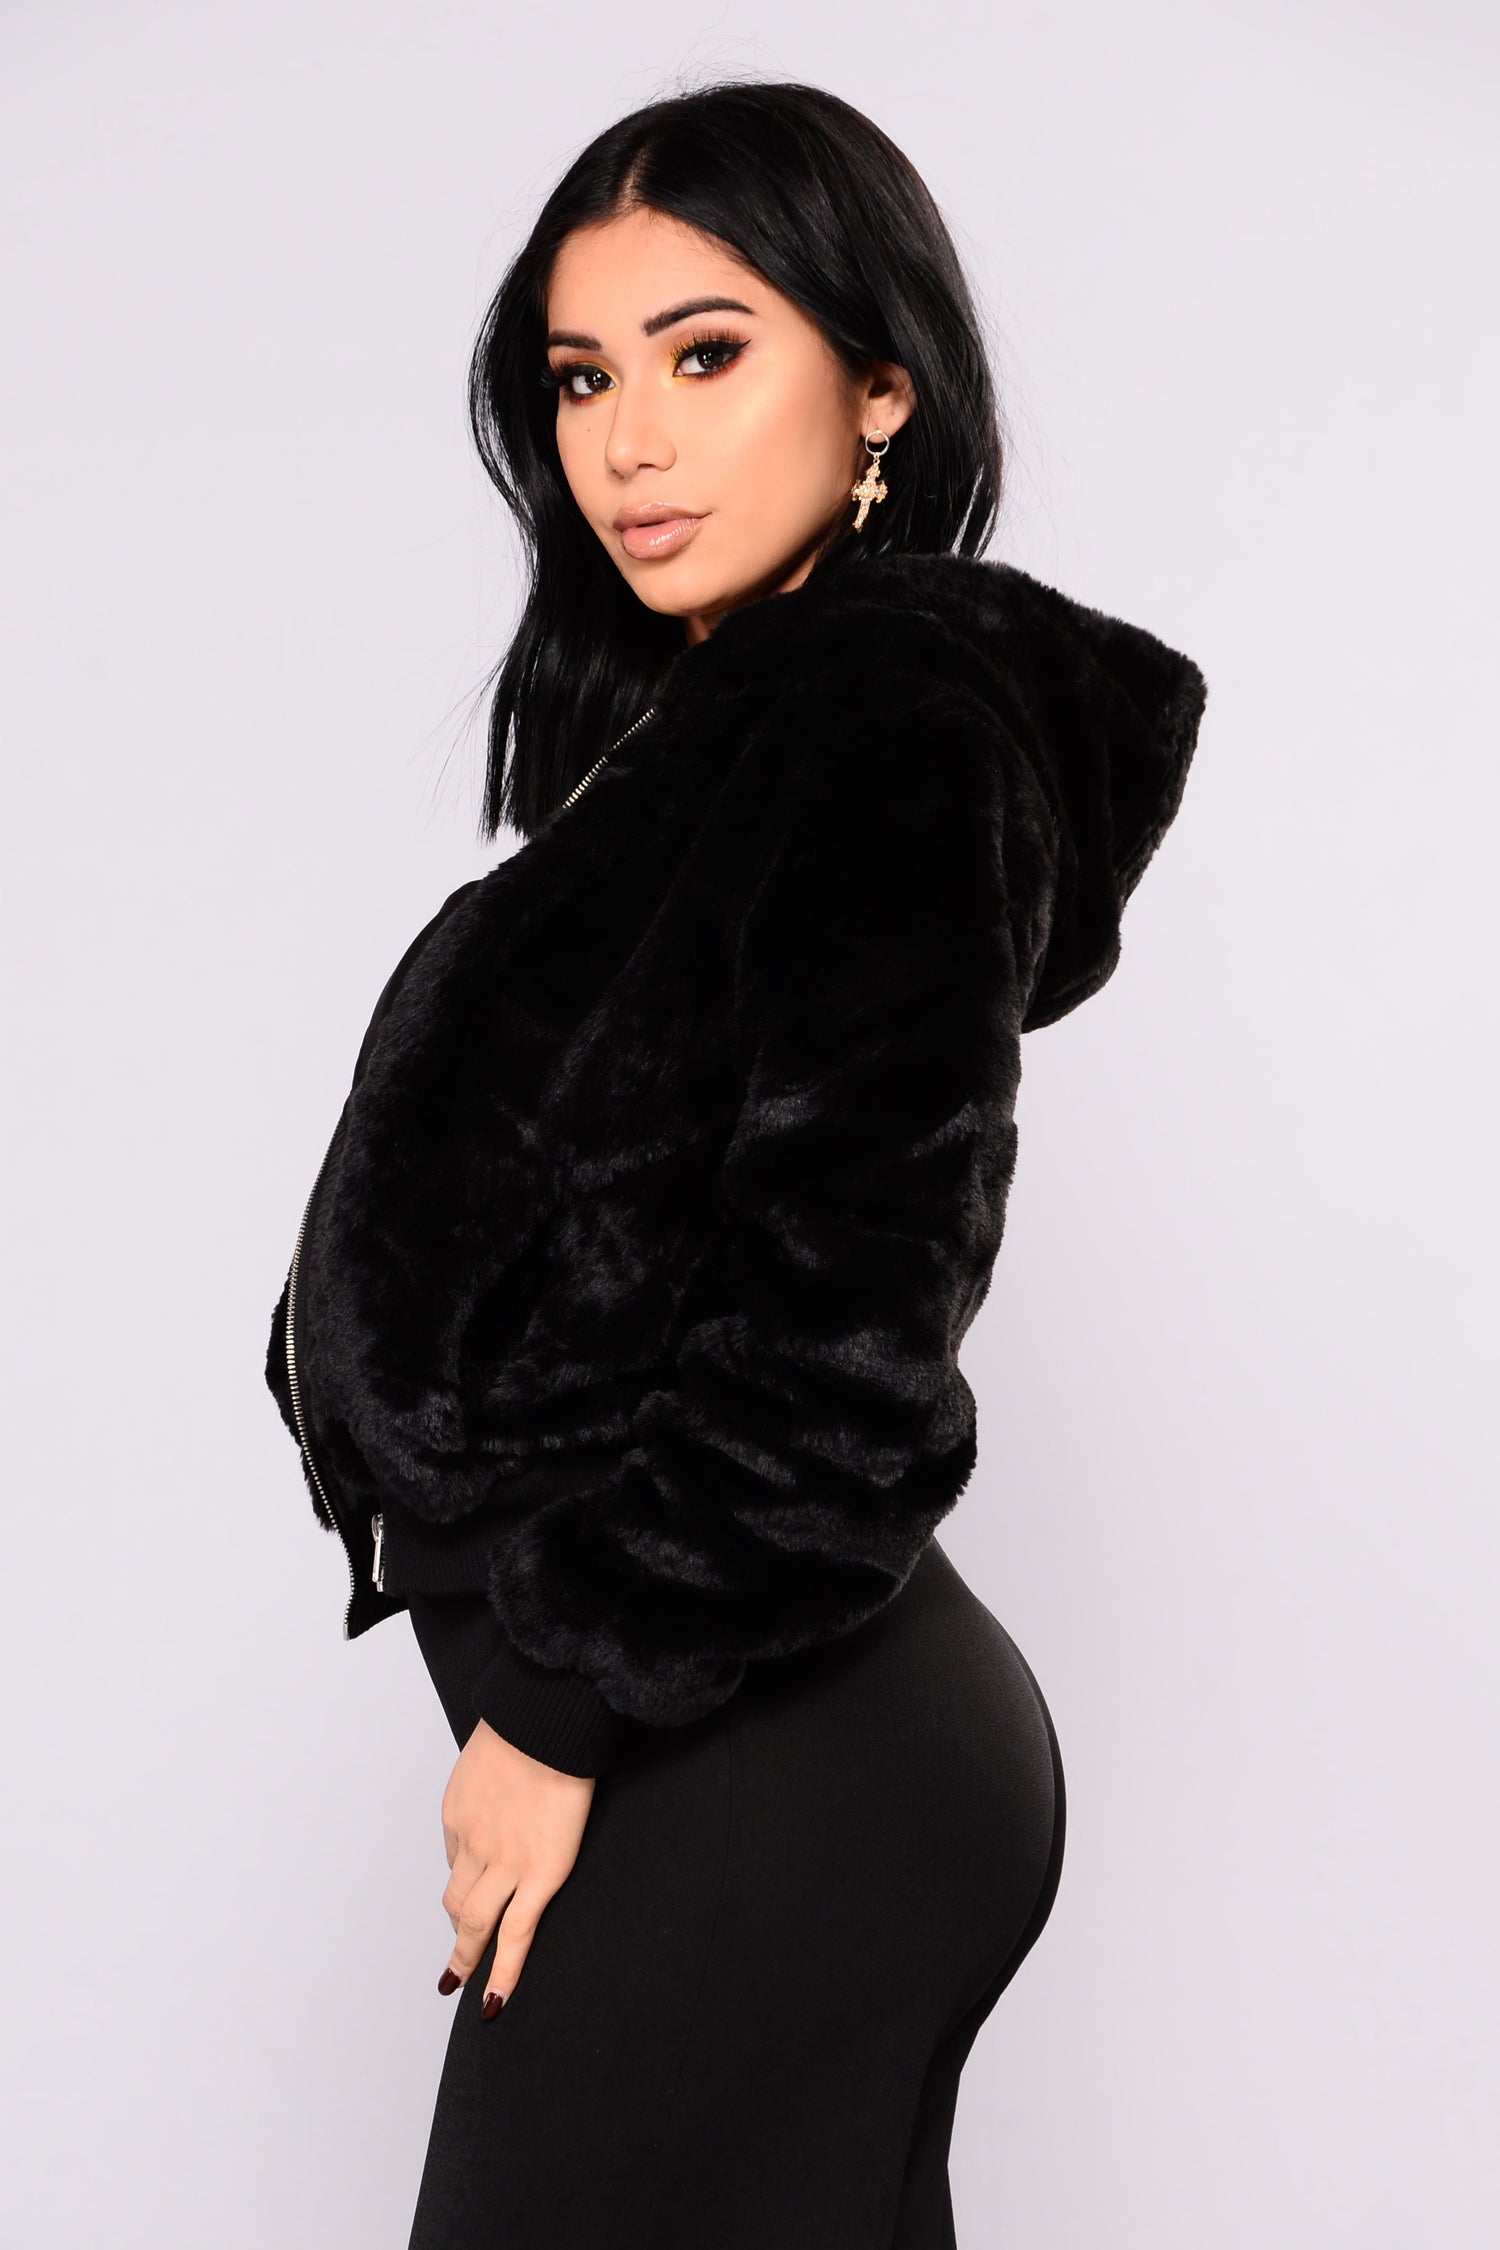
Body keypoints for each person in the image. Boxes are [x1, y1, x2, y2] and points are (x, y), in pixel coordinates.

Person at [265, 78, 1206, 2250]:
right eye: (583, 377)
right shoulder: (716, 738)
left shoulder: (886, 722)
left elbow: (838, 1347)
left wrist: (554, 1711)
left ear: (879, 387)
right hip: (741, 1745)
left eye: (707, 354)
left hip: (763, 1757)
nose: (630, 441)